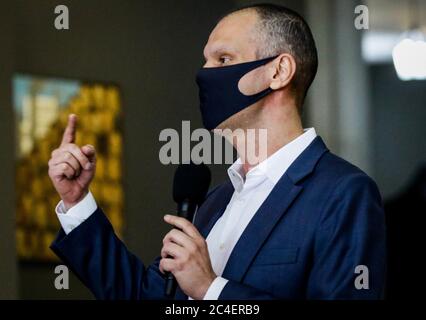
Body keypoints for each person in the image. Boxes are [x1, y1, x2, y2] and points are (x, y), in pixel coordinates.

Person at [48, 4, 386, 299]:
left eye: (224, 58)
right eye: (206, 61)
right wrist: (77, 203)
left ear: (279, 71)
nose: (205, 74)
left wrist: (212, 290)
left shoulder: (343, 193)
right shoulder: (213, 202)